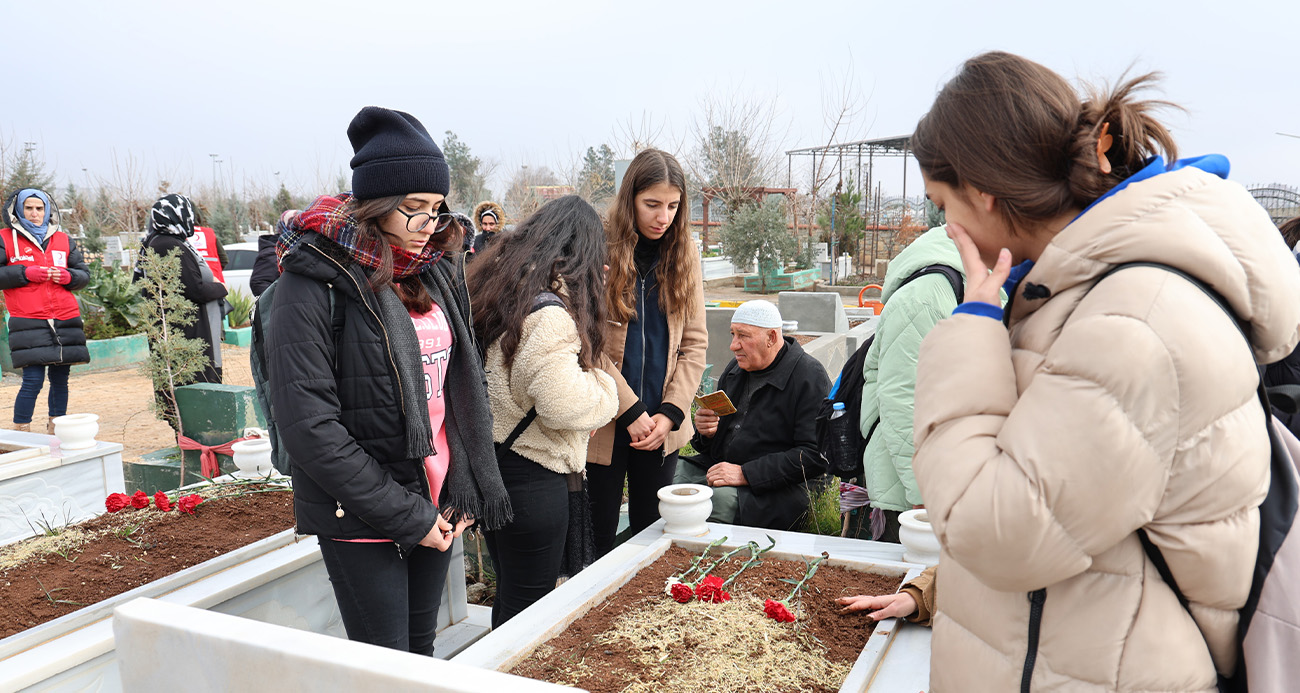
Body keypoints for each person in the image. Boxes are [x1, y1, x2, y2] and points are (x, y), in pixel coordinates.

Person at [908, 52, 1300, 691]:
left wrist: (968, 332)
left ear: (983, 190)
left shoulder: (1135, 321)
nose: (944, 226)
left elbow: (1002, 530)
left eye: (941, 202)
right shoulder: (1079, 296)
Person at [265, 106, 511, 655]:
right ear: (375, 207)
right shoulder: (312, 285)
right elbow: (310, 428)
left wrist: (456, 489)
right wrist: (408, 515)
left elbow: (456, 390)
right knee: (384, 666)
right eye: (416, 209)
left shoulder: (431, 272)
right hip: (362, 513)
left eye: (439, 208)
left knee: (419, 656)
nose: (433, 224)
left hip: (436, 496)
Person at [467, 194, 619, 627]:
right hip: (532, 476)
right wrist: (605, 389)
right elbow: (561, 403)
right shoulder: (550, 314)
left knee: (511, 596)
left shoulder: (501, 294)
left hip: (496, 469)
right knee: (528, 611)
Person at [587, 149, 707, 555]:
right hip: (604, 419)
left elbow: (695, 345)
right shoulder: (598, 250)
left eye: (673, 206)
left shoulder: (684, 254)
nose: (663, 216)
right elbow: (589, 342)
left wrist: (671, 413)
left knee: (652, 535)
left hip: (662, 424)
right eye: (652, 204)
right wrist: (631, 411)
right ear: (630, 199)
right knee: (597, 535)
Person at [675, 300, 830, 530]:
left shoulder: (809, 376)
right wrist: (706, 432)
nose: (733, 345)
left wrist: (745, 474)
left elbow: (813, 457)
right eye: (732, 334)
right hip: (726, 468)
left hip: (781, 486)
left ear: (772, 338)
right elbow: (716, 440)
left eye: (743, 336)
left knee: (713, 503)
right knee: (667, 479)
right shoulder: (736, 369)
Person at [855, 226, 966, 542]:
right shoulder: (923, 300)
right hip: (911, 492)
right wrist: (922, 494)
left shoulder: (957, 287)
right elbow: (903, 401)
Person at [0, 189, 90, 434]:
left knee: (61, 380)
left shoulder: (62, 239)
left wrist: (68, 276)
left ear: (48, 211)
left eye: (40, 208)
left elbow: (84, 275)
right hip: (28, 319)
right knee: (32, 381)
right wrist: (25, 273)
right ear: (18, 210)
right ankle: (21, 433)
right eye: (29, 208)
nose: (35, 213)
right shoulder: (5, 238)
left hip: (65, 318)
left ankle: (56, 430)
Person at [135, 194, 228, 385]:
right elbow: (194, 289)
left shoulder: (165, 241)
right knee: (195, 387)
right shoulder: (168, 245)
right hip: (186, 332)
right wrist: (220, 287)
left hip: (185, 330)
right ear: (176, 215)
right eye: (188, 214)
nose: (191, 219)